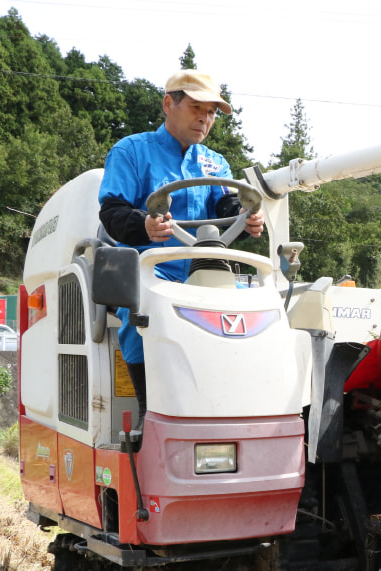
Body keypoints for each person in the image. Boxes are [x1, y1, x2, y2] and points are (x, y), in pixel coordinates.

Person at [98, 70, 265, 427]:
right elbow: (112, 212)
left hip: (200, 269)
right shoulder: (131, 151)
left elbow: (225, 207)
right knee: (143, 303)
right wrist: (144, 224)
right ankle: (150, 409)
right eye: (196, 108)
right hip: (149, 264)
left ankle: (232, 404)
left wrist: (245, 217)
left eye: (212, 112)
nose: (204, 118)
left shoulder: (215, 163)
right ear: (168, 104)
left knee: (248, 307)